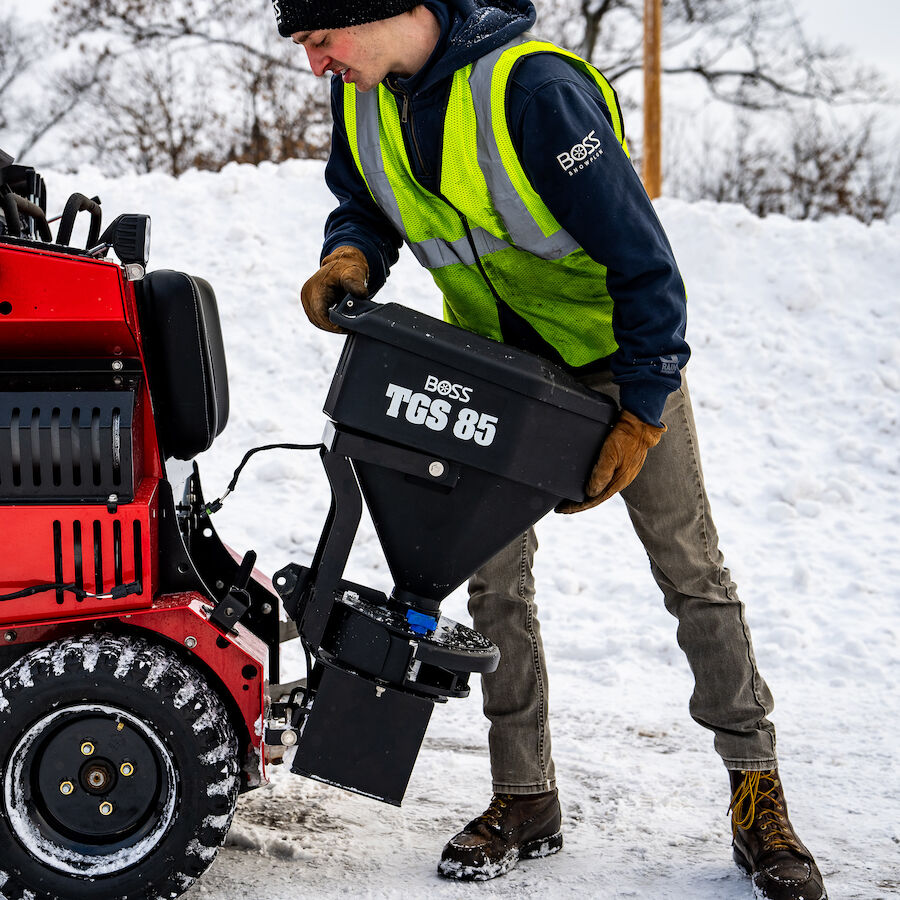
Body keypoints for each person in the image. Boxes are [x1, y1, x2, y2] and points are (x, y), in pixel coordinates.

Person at [272, 1, 826, 897]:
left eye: (320, 41)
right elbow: (364, 203)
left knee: (691, 573)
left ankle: (759, 797)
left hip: (619, 360)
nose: (316, 66)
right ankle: (525, 796)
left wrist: (641, 412)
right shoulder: (363, 97)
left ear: (381, 9)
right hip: (498, 367)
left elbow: (645, 263)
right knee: (492, 581)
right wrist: (350, 258)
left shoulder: (534, 92)